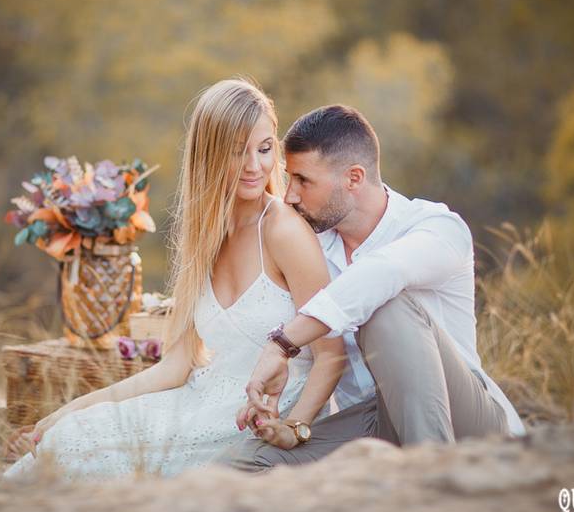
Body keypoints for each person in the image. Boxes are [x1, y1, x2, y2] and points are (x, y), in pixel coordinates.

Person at [3, 79, 346, 481]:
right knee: (68, 437)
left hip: (264, 416)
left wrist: (294, 429)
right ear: (209, 154)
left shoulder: (283, 231)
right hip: (197, 402)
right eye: (237, 151)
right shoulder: (205, 238)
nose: (255, 166)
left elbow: (331, 354)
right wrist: (71, 410)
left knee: (83, 463)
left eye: (265, 148)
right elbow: (176, 366)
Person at [222, 104, 524, 472]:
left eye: (303, 181)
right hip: (371, 423)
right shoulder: (312, 246)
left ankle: (436, 486)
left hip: (468, 424)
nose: (290, 196)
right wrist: (290, 422)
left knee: (387, 309)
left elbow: (384, 273)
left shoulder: (437, 229)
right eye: (289, 178)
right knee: (244, 465)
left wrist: (283, 343)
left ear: (353, 178)